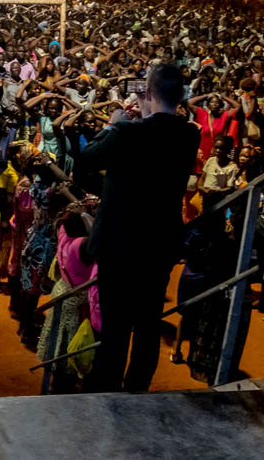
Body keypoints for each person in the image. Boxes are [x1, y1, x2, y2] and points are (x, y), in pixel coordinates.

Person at [77, 61, 203, 392]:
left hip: (119, 246)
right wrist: (144, 116)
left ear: (146, 92)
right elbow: (158, 134)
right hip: (159, 246)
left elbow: (86, 159)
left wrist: (113, 125)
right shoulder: (189, 134)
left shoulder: (126, 134)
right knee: (147, 326)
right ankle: (137, 393)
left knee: (115, 330)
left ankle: (107, 393)